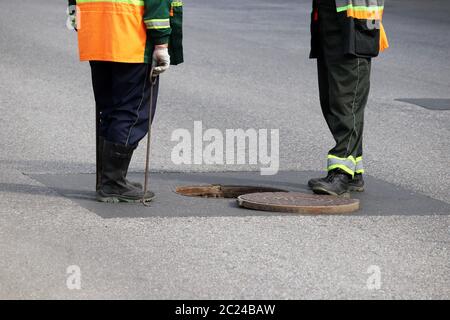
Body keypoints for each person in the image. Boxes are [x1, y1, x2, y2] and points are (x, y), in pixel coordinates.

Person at [68, 0, 183, 203]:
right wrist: (161, 43)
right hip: (131, 36)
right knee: (132, 110)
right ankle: (112, 183)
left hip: (96, 32)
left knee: (110, 108)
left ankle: (108, 179)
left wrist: (75, 17)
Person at [308, 0, 388, 196]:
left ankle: (341, 173)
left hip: (354, 18)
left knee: (346, 100)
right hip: (330, 12)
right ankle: (354, 173)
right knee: (331, 100)